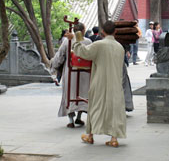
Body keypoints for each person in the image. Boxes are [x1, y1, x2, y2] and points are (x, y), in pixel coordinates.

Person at [66, 20, 126, 148]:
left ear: (102, 31)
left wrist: (76, 37)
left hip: (99, 80)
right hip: (115, 82)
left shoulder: (99, 45)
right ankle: (114, 138)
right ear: (115, 31)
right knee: (114, 109)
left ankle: (90, 135)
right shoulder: (120, 47)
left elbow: (83, 52)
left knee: (95, 107)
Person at [50, 22, 92, 128]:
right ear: (83, 31)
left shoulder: (67, 41)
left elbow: (60, 56)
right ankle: (79, 117)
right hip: (85, 72)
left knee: (70, 94)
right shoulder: (88, 41)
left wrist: (53, 66)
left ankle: (71, 120)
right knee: (82, 93)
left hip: (70, 71)